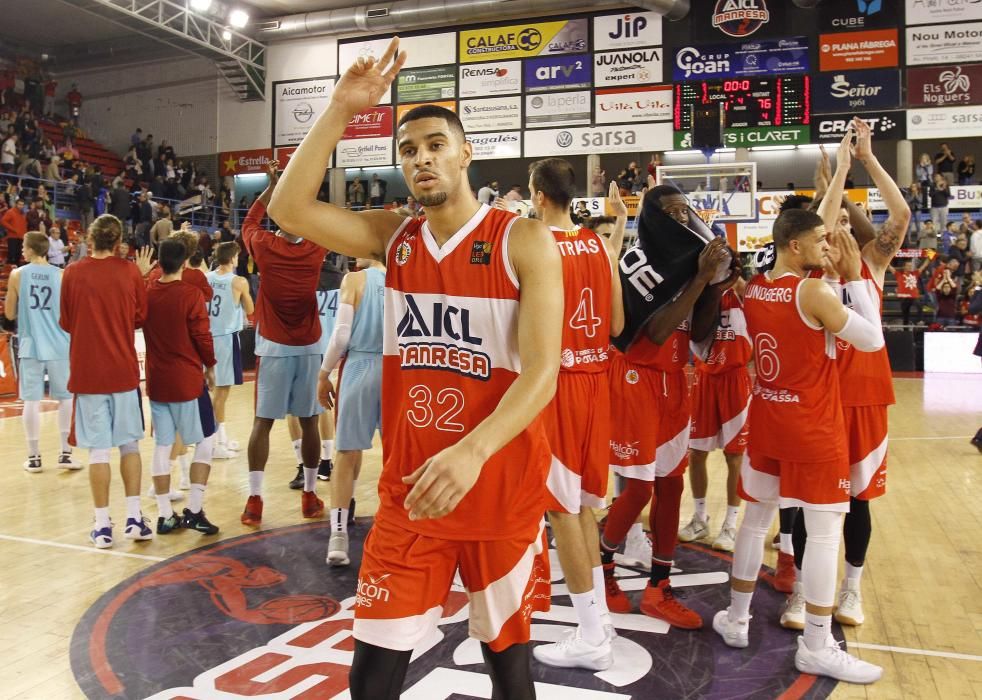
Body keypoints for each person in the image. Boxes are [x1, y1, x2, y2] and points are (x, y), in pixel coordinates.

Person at [268, 39, 563, 700]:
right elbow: (286, 211)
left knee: (509, 671)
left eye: (435, 144)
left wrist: (472, 452)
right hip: (412, 494)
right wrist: (341, 110)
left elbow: (543, 374)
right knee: (370, 680)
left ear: (465, 154)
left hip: (498, 489)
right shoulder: (390, 237)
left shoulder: (524, 239)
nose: (422, 157)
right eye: (408, 149)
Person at [713, 131, 886, 685]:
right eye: (820, 243)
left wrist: (838, 174)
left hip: (767, 422)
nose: (828, 247)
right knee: (826, 530)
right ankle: (816, 643)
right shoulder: (813, 293)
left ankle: (736, 618)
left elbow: (815, 223)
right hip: (814, 429)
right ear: (795, 246)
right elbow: (873, 342)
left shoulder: (758, 287)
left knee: (754, 520)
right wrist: (856, 277)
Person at [782, 117, 911, 632]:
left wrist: (867, 159)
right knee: (804, 504)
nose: (832, 235)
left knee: (857, 502)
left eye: (838, 231)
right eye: (824, 232)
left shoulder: (873, 265)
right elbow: (823, 216)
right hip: (819, 400)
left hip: (865, 400)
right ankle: (798, 589)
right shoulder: (811, 277)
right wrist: (834, 174)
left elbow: (899, 213)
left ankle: (851, 588)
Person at [600, 187, 735, 631]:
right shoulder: (636, 264)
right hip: (636, 379)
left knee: (671, 486)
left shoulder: (688, 260)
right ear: (656, 218)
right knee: (637, 490)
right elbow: (652, 334)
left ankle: (659, 588)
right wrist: (699, 279)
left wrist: (716, 287)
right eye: (673, 212)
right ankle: (602, 572)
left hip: (677, 380)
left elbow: (698, 332)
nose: (683, 220)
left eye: (687, 212)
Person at [528, 167, 625, 671]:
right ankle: (600, 618)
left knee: (562, 511)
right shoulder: (596, 244)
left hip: (558, 384)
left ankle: (590, 636)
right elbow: (616, 325)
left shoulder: (534, 244)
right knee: (584, 506)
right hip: (596, 382)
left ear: (537, 196)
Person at [240, 159, 327, 527]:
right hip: (309, 346)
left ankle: (255, 500)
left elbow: (249, 221)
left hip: (274, 347)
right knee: (309, 423)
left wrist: (273, 187)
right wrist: (302, 188)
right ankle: (309, 495)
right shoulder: (317, 248)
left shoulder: (262, 245)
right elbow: (324, 220)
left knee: (262, 423)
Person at [60, 214, 151, 548]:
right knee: (129, 445)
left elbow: (67, 321)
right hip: (122, 370)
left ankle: (101, 527)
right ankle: (134, 518)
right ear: (118, 244)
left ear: (89, 240)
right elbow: (140, 317)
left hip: (87, 372)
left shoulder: (71, 273)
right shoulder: (129, 272)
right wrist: (137, 279)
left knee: (98, 451)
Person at [144, 238, 220, 536]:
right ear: (186, 262)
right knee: (206, 440)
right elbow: (202, 336)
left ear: (159, 261)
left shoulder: (147, 293)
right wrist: (211, 365)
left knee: (163, 445)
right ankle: (195, 510)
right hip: (187, 379)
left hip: (157, 380)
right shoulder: (190, 295)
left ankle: (165, 515)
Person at [318, 256, 385, 566]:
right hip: (400, 369)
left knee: (347, 452)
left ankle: (339, 536)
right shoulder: (408, 279)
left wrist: (324, 373)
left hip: (360, 366)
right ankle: (395, 531)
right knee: (397, 457)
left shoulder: (355, 280)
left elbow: (341, 334)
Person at [678, 272, 751, 553]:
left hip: (735, 380)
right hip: (704, 378)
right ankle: (699, 517)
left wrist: (732, 275)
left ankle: (731, 523)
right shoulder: (700, 293)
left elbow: (745, 289)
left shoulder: (743, 292)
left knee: (735, 456)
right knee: (696, 453)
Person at [4, 232, 79, 473]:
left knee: (31, 401)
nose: (22, 250)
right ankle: (66, 454)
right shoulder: (62, 275)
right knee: (65, 399)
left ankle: (34, 457)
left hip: (31, 343)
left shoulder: (17, 275)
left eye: (24, 246)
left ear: (31, 249)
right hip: (59, 343)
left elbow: (9, 314)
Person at [206, 241, 254, 458]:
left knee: (212, 391)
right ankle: (215, 443)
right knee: (221, 392)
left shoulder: (207, 277)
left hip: (206, 336)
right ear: (233, 257)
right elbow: (251, 309)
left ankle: (220, 438)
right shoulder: (238, 281)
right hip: (225, 338)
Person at [1, 198, 27, 264]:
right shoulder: (10, 212)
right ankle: (9, 271)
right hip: (12, 237)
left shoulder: (23, 214)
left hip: (20, 237)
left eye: (22, 205)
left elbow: (24, 226)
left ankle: (15, 272)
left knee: (18, 256)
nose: (21, 206)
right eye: (19, 204)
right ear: (16, 204)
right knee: (12, 256)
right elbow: (3, 221)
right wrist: (13, 229)